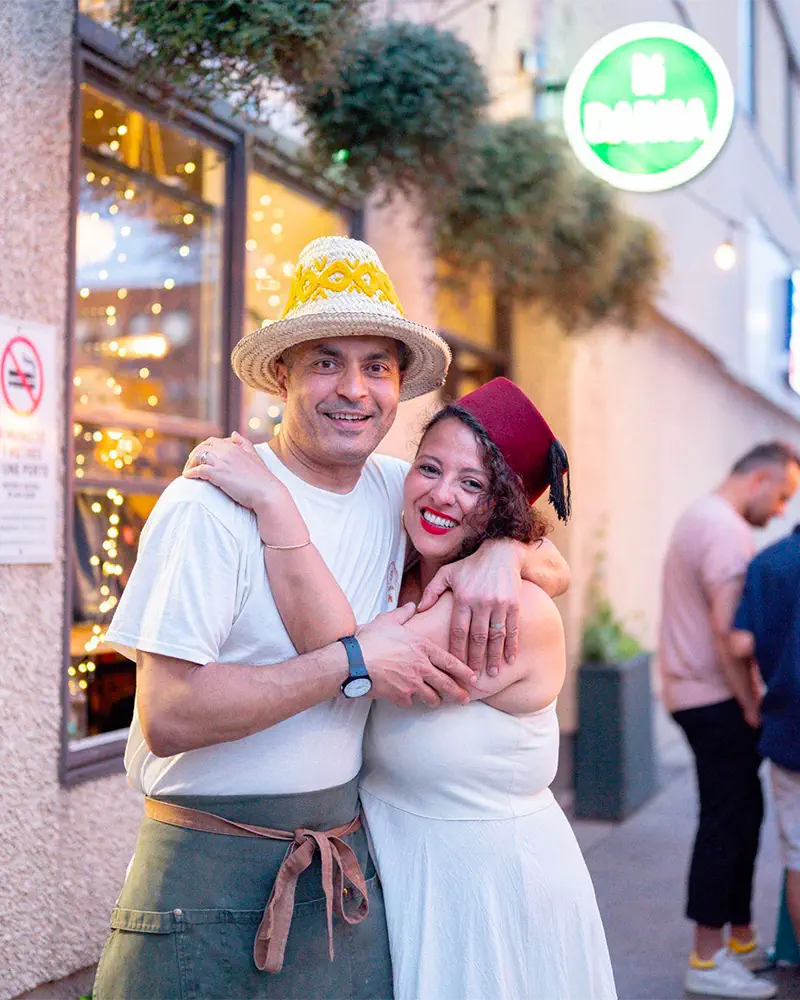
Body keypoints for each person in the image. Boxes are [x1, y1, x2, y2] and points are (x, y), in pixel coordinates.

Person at [92, 237, 569, 1000]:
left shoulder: (399, 490)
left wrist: (505, 554)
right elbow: (170, 716)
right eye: (326, 361)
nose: (355, 389)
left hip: (346, 875)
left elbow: (531, 550)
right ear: (282, 374)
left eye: (376, 365)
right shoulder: (212, 504)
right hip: (209, 864)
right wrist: (349, 662)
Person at [198, 376, 616, 1000]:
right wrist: (507, 548)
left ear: (505, 507)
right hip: (401, 876)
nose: (442, 493)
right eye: (430, 467)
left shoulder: (506, 613)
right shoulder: (411, 567)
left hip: (483, 894)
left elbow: (344, 655)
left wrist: (272, 499)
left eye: (474, 484)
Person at [659, 442, 800, 999]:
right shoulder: (724, 531)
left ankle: (739, 941)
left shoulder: (702, 515)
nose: (783, 509)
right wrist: (751, 704)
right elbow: (729, 636)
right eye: (783, 494)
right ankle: (707, 957)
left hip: (693, 694)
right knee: (727, 823)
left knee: (742, 818)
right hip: (716, 699)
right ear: (759, 479)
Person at [731, 523, 800, 947]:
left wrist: (752, 699)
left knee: (798, 857)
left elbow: (739, 644)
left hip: (790, 727)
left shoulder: (769, 561)